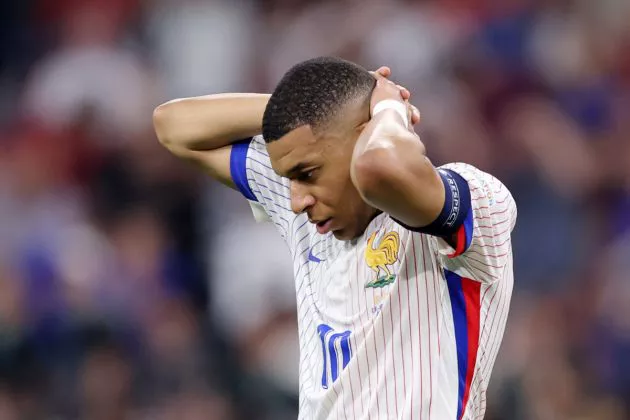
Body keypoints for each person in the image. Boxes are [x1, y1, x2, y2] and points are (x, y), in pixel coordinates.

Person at [153, 57, 516, 420]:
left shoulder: (477, 201)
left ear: (363, 135)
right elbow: (173, 127)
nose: (296, 201)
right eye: (290, 177)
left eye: (307, 173)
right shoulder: (310, 208)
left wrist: (388, 105)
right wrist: (308, 110)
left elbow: (378, 168)